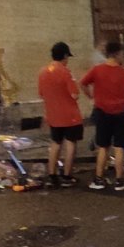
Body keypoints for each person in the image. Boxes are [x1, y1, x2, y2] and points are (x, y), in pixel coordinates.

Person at [80, 41, 124, 191]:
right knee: (119, 147)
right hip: (121, 113)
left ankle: (99, 179)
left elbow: (83, 83)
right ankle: (119, 181)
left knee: (103, 146)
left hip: (102, 112)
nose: (123, 56)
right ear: (116, 54)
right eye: (122, 53)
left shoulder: (97, 70)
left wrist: (91, 97)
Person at [37, 42, 82, 187]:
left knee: (55, 143)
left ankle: (52, 174)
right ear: (64, 55)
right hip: (70, 116)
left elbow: (41, 94)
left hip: (53, 115)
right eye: (67, 56)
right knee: (70, 144)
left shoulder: (43, 72)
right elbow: (75, 94)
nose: (67, 59)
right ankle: (67, 175)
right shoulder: (65, 72)